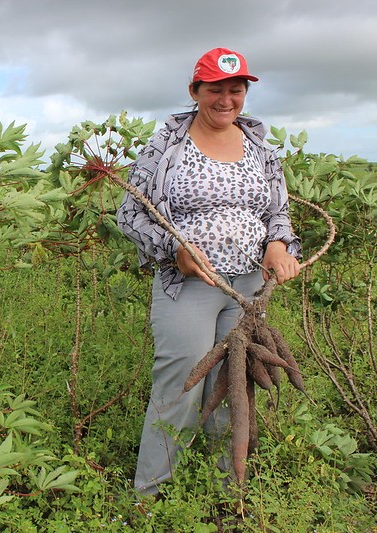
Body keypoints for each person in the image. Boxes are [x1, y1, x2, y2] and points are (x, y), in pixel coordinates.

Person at [116, 47, 302, 496]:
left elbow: (278, 211)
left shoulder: (260, 147)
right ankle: (150, 497)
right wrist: (173, 248)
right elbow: (129, 214)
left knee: (231, 386)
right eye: (214, 89)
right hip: (189, 287)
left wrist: (279, 244)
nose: (226, 99)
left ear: (245, 92)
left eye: (235, 90)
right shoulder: (166, 147)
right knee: (180, 386)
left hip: (249, 288)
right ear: (194, 90)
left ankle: (226, 491)